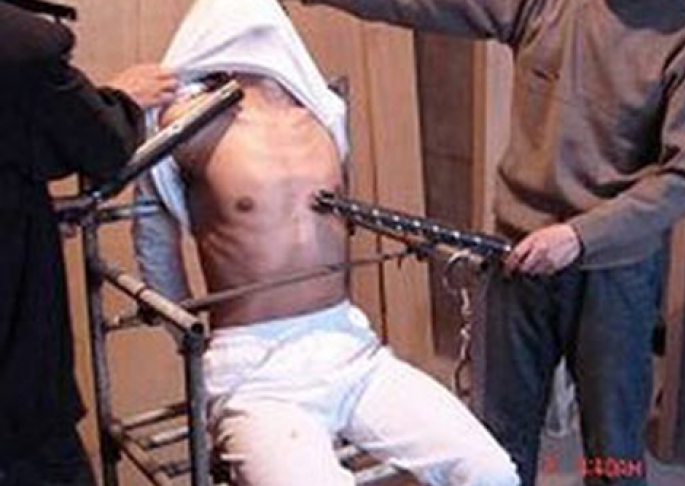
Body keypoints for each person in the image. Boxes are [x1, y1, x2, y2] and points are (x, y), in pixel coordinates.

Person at [290, 0, 685, 484]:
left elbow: (682, 181)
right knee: (498, 441)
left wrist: (579, 237)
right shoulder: (546, 6)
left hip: (614, 276)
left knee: (614, 449)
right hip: (515, 256)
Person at [133, 0, 519, 485]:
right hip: (255, 373)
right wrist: (190, 340)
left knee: (490, 471)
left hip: (349, 347)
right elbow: (155, 244)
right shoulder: (185, 124)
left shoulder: (322, 114)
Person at [0, 3, 178, 484]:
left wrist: (27, 219)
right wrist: (122, 100)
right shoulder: (21, 47)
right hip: (16, 424)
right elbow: (102, 145)